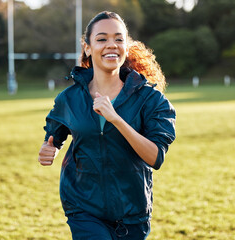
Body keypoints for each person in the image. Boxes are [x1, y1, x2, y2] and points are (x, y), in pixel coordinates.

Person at [38, 11, 176, 240]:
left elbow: (155, 157)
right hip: (83, 209)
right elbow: (55, 136)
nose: (111, 45)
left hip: (133, 214)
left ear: (126, 46)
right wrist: (48, 149)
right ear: (88, 47)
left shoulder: (151, 100)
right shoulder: (69, 99)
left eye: (118, 39)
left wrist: (116, 119)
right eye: (102, 39)